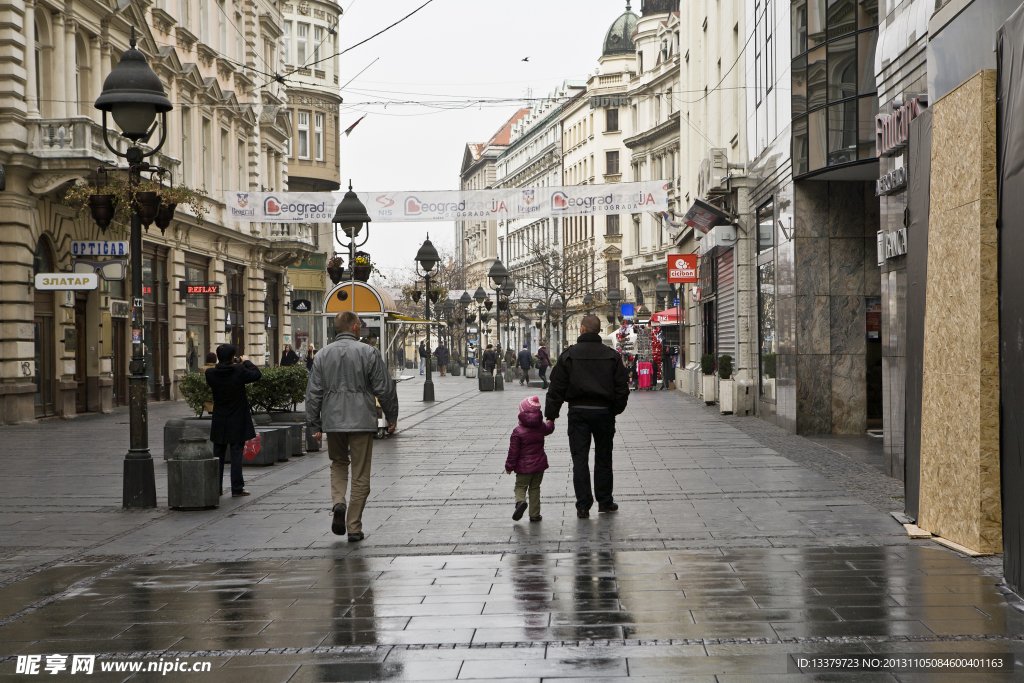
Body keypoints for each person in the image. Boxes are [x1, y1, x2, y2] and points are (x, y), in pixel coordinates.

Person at [306, 310, 398, 542]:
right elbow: (384, 388)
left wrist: (314, 424)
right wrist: (391, 415)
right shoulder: (369, 352)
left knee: (338, 463)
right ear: (355, 327)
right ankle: (354, 526)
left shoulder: (322, 355)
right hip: (361, 420)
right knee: (360, 473)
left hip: (333, 420)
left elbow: (313, 393)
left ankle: (339, 503)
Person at [545, 314, 630, 518]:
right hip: (603, 413)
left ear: (581, 329)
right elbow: (622, 387)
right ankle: (604, 501)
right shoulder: (612, 356)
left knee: (580, 460)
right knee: (604, 457)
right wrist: (614, 409)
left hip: (578, 412)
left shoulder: (569, 355)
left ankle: (583, 505)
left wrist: (551, 416)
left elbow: (556, 387)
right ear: (598, 331)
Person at [205, 344, 262, 497]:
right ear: (232, 357)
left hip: (219, 419)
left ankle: (215, 488)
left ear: (218, 357)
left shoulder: (210, 373)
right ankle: (237, 488)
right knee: (236, 454)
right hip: (237, 418)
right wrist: (246, 361)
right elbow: (257, 374)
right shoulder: (239, 370)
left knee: (218, 454)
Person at [504, 395, 554, 522]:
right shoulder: (541, 426)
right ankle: (535, 514)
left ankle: (520, 502)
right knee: (535, 488)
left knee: (520, 487)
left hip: (524, 467)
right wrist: (550, 421)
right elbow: (549, 429)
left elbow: (513, 452)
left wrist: (509, 466)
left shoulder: (518, 431)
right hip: (539, 466)